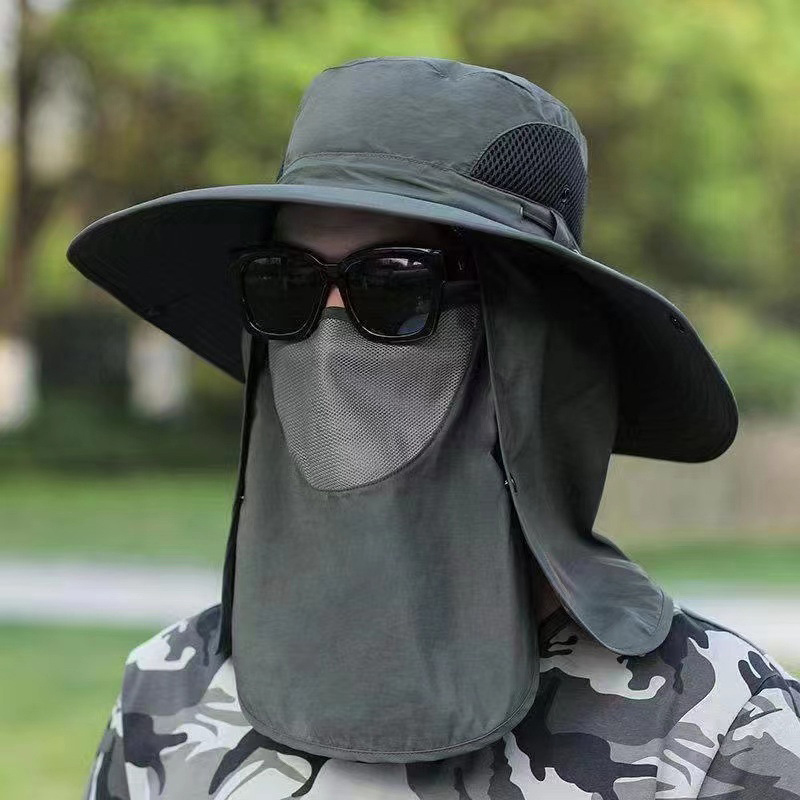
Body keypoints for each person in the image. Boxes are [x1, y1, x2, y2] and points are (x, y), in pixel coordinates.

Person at [68, 57, 800, 799]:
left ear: (534, 347)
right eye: (283, 283)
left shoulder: (716, 730)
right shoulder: (167, 697)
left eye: (394, 285)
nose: (327, 338)